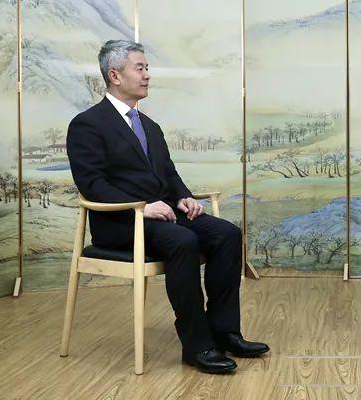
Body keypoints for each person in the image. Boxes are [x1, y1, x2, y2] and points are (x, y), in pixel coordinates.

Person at [67, 39, 269, 374]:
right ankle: (197, 345)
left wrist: (183, 197)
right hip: (121, 223)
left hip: (163, 216)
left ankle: (224, 332)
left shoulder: (150, 126)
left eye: (147, 68)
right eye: (140, 68)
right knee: (183, 240)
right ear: (115, 75)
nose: (147, 75)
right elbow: (92, 184)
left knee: (227, 234)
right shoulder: (87, 124)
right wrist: (142, 207)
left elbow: (168, 173)